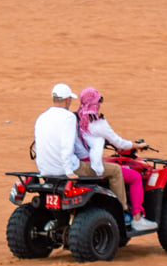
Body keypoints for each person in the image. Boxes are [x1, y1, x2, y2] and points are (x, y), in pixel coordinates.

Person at [33, 82, 129, 213]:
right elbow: (69, 145)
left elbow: (38, 146)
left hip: (45, 170)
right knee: (116, 170)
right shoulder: (69, 117)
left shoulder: (41, 118)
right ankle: (122, 212)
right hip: (67, 169)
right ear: (67, 100)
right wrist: (69, 171)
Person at [76, 86, 157, 234]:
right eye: (99, 100)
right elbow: (118, 142)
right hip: (92, 165)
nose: (100, 103)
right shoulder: (98, 122)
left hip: (77, 163)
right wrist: (136, 145)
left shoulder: (77, 119)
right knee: (135, 177)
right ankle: (136, 218)